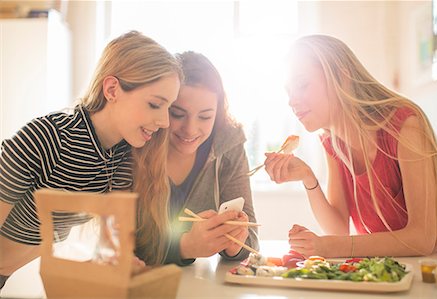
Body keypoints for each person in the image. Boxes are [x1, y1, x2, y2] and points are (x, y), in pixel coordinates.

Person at [0, 31, 182, 288]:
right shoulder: (47, 138)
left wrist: (116, 263)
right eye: (155, 104)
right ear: (111, 89)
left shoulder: (122, 156)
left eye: (169, 108)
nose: (164, 122)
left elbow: (108, 246)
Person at [264, 35, 437, 258]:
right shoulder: (332, 141)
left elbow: (423, 239)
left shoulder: (405, 125)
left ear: (342, 77)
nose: (292, 101)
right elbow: (338, 230)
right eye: (289, 91)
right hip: (395, 272)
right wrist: (308, 178)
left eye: (302, 85)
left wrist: (327, 247)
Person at [137, 51, 259, 266]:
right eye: (177, 114)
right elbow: (123, 244)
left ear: (218, 113)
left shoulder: (228, 144)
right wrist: (185, 247)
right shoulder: (139, 141)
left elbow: (251, 239)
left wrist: (234, 244)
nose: (190, 129)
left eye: (205, 117)